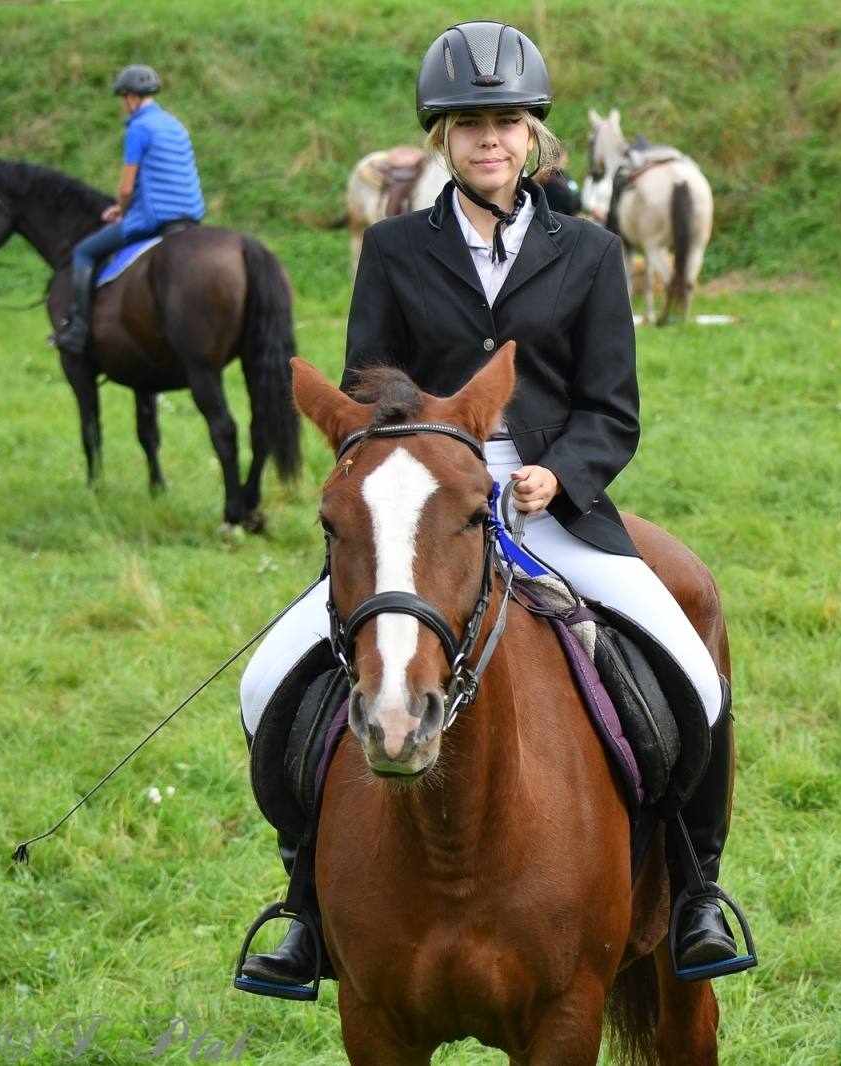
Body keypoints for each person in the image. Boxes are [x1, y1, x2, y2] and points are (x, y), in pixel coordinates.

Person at [235, 21, 746, 990]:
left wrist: (561, 474)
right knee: (267, 682)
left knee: (689, 667)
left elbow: (613, 410)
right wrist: (419, 465)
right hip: (418, 510)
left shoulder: (590, 254)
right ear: (440, 139)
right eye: (469, 126)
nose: (490, 141)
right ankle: (303, 906)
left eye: (506, 123)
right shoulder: (391, 250)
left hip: (552, 504)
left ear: (533, 136)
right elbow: (366, 397)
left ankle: (694, 894)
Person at [55, 65, 205, 357]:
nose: (124, 105)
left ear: (130, 97)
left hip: (154, 219)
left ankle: (78, 331)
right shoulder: (174, 124)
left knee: (83, 251)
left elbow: (126, 188)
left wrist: (122, 210)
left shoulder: (138, 129)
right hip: (189, 216)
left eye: (123, 98)